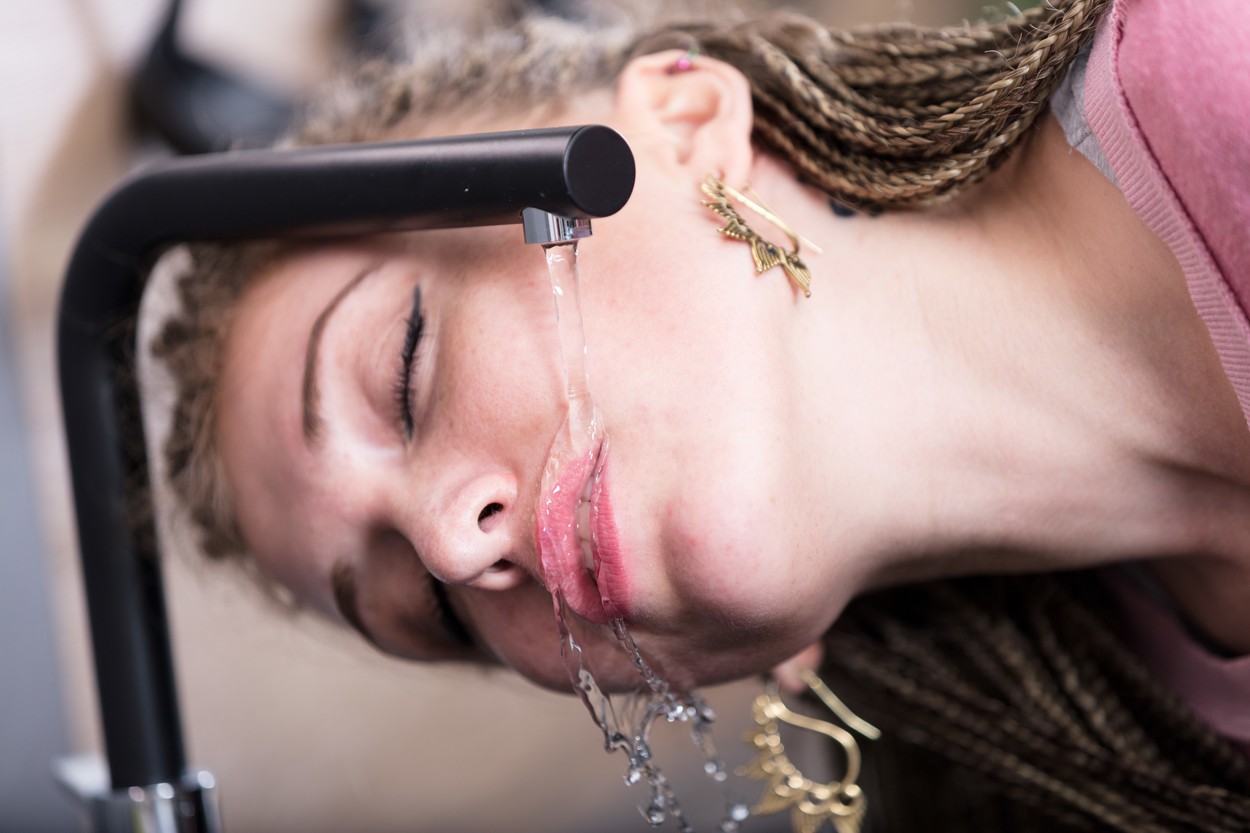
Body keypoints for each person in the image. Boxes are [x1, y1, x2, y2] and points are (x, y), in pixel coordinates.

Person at [152, 0, 1250, 829]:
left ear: (682, 127)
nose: (452, 544)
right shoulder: (1119, 759)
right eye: (435, 612)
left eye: (403, 370)